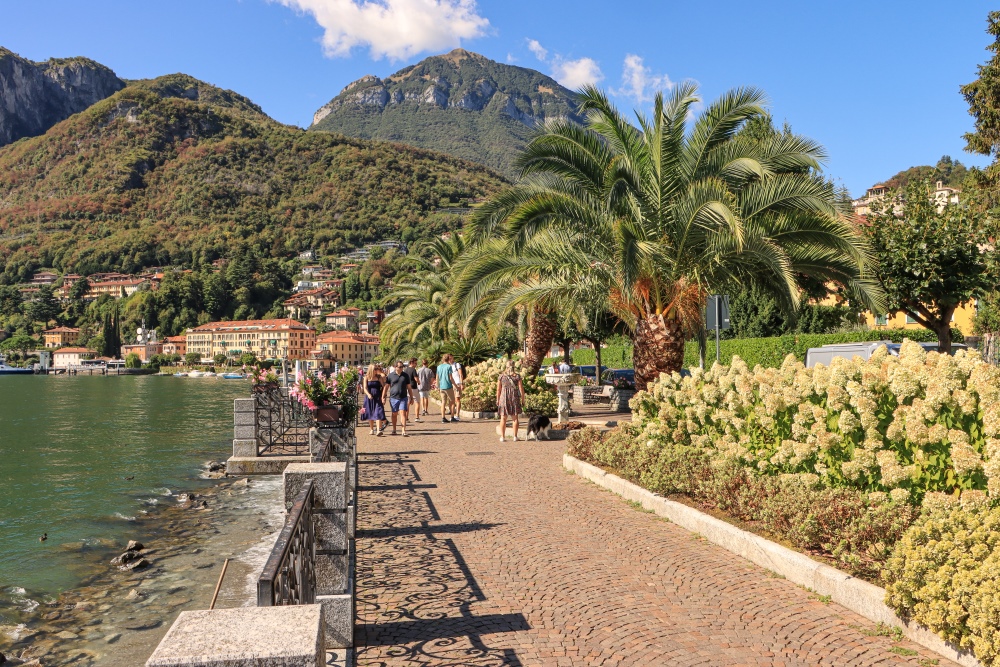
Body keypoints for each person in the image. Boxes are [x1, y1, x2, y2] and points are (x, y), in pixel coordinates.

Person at [496, 360, 525, 442]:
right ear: (514, 367)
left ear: (506, 367)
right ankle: (515, 436)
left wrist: (497, 399)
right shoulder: (517, 377)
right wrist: (523, 399)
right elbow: (521, 389)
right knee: (515, 418)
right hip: (514, 398)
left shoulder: (501, 376)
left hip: (503, 398)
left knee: (503, 418)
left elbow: (498, 390)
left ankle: (502, 437)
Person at [386, 361, 411, 436]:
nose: (401, 368)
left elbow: (409, 387)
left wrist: (411, 397)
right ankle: (394, 429)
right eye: (400, 367)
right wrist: (383, 396)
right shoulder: (390, 376)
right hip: (393, 397)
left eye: (402, 366)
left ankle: (403, 430)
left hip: (403, 397)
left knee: (403, 413)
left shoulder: (405, 376)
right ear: (395, 367)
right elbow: (386, 386)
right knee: (394, 414)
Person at [362, 363, 387, 436]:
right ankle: (372, 429)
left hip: (378, 397)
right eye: (375, 369)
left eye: (376, 369)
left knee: (378, 412)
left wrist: (383, 397)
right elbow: (365, 388)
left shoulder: (379, 377)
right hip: (369, 397)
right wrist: (368, 394)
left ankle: (379, 430)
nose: (376, 370)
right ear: (371, 370)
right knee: (370, 412)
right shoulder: (366, 377)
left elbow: (384, 386)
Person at [435, 355, 456, 424]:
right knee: (452, 401)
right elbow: (450, 378)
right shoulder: (449, 366)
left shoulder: (439, 367)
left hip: (441, 387)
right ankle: (452, 417)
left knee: (443, 402)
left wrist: (437, 386)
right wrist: (455, 385)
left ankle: (443, 417)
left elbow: (437, 377)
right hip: (448, 386)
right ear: (448, 359)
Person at [403, 358, 420, 423]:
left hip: (407, 387)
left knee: (408, 403)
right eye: (415, 363)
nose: (416, 364)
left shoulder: (405, 370)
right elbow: (416, 378)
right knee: (417, 402)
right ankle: (417, 417)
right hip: (413, 387)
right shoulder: (413, 370)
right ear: (412, 363)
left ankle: (406, 418)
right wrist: (419, 382)